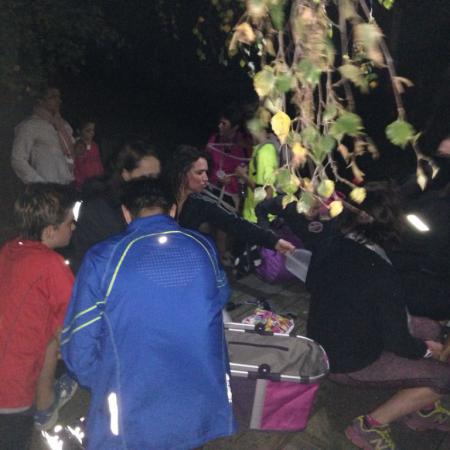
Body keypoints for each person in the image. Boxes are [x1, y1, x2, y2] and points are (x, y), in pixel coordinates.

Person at [61, 178, 236, 450]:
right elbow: (221, 295)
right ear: (173, 210)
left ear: (126, 213)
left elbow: (79, 350)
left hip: (133, 413)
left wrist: (110, 380)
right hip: (197, 403)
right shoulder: (203, 246)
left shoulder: (104, 258)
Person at [305, 183, 450, 450]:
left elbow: (312, 283)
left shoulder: (333, 242)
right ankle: (369, 426)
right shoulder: (381, 273)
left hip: (322, 339)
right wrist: (428, 351)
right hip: (348, 361)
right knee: (443, 376)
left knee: (431, 329)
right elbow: (399, 341)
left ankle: (423, 409)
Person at [0, 183, 78, 450]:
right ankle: (45, 406)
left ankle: (44, 406)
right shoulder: (51, 265)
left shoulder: (10, 249)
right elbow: (74, 325)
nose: (74, 226)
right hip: (10, 388)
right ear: (49, 231)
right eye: (69, 222)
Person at [168, 145, 295, 262]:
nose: (206, 178)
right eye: (199, 173)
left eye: (206, 172)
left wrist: (274, 241)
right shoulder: (161, 200)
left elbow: (236, 224)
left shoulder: (201, 204)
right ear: (182, 173)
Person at [69, 140, 161, 271]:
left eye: (156, 177)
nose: (152, 183)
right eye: (146, 177)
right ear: (125, 174)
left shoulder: (149, 202)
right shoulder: (101, 206)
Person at [11, 85, 75, 184]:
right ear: (40, 101)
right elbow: (18, 159)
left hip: (66, 184)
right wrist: (39, 182)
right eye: (53, 97)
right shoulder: (30, 126)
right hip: (45, 187)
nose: (58, 101)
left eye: (59, 97)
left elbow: (73, 155)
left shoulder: (64, 126)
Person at [73, 119, 104, 191]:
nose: (92, 133)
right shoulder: (79, 145)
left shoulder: (95, 145)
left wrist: (101, 176)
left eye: (93, 130)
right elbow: (79, 165)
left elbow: (98, 162)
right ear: (79, 131)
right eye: (88, 131)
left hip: (96, 180)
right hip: (84, 182)